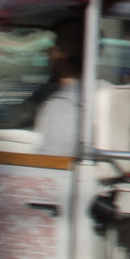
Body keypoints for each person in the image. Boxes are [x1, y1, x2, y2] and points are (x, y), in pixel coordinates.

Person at [29, 19, 85, 157]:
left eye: (54, 44)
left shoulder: (61, 104)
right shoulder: (104, 90)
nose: (48, 52)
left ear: (58, 54)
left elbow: (49, 159)